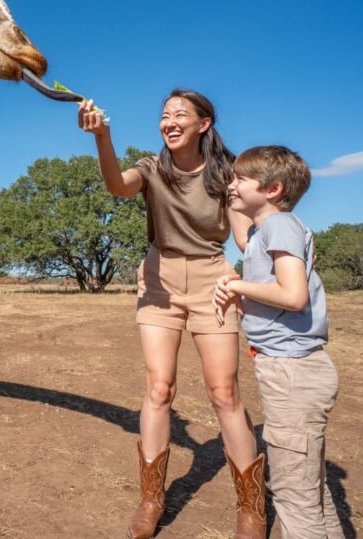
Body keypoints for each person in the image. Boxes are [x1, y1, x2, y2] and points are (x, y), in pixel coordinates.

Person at [78, 89, 264, 539]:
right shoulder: (151, 168)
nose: (170, 121)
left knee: (224, 393)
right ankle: (150, 500)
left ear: (204, 124)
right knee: (158, 389)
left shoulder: (227, 173)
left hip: (212, 283)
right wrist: (102, 137)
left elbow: (244, 237)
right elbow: (116, 187)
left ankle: (251, 507)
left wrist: (283, 248)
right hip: (160, 279)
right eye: (164, 115)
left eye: (181, 114)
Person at [214, 146, 342, 538]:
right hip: (287, 369)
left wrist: (237, 286)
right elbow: (242, 230)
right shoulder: (261, 232)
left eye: (240, 180)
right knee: (310, 493)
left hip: (293, 372)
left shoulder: (280, 225)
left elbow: (293, 295)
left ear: (273, 189)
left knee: (293, 499)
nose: (232, 186)